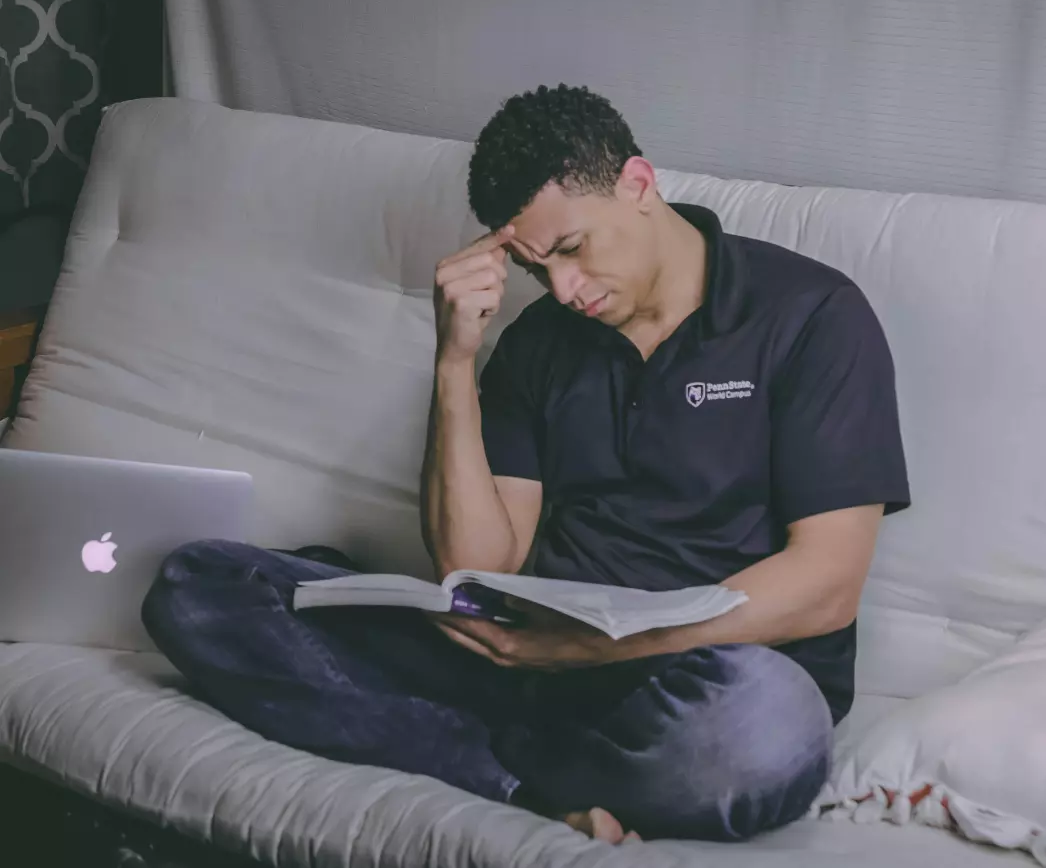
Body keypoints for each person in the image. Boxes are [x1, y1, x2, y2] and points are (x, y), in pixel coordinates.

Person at [142, 83, 910, 845]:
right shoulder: (540, 342)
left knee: (761, 734)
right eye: (538, 269)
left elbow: (826, 587)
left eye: (573, 250)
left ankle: (482, 756)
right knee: (200, 585)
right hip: (525, 661)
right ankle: (513, 780)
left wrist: (592, 647)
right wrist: (454, 359)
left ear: (638, 185)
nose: (564, 290)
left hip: (696, 679)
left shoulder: (810, 316)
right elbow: (476, 566)